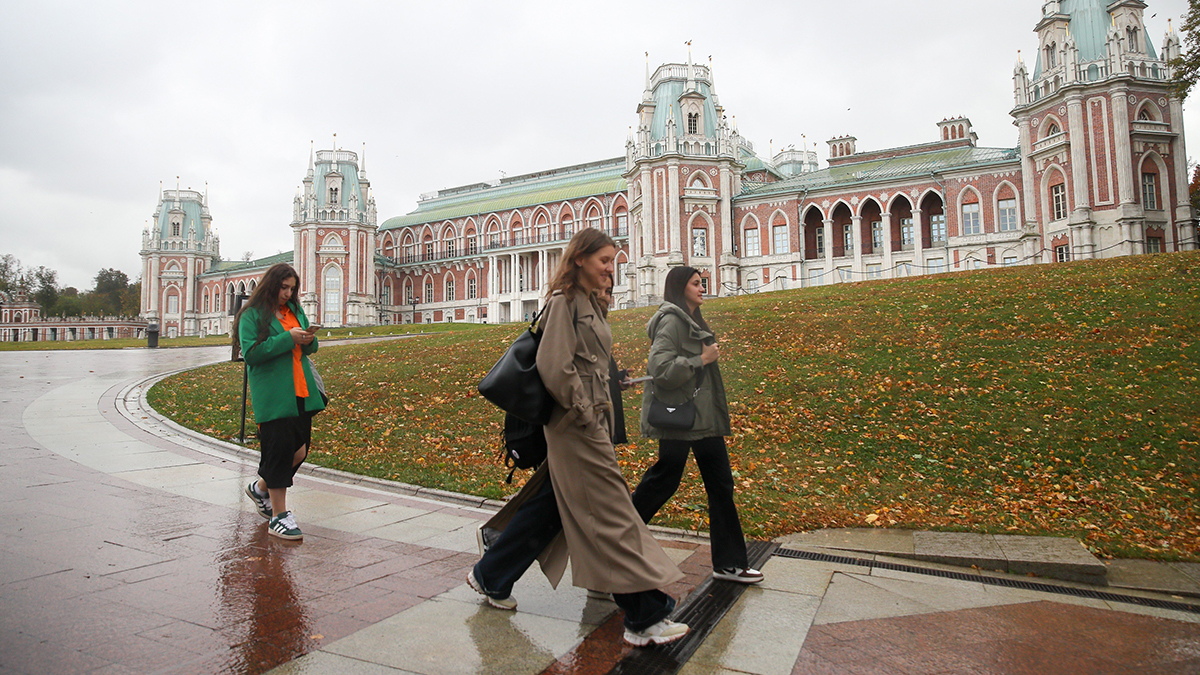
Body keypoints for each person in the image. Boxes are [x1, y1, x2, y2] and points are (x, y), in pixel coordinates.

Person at [468, 229, 690, 647]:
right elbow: (555, 367)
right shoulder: (564, 302)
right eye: (604, 260)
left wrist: (611, 381)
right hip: (576, 427)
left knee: (555, 507)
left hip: (589, 423)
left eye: (613, 260)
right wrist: (587, 413)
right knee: (608, 515)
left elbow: (586, 360)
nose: (611, 267)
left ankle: (491, 574)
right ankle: (644, 615)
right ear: (579, 260)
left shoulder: (590, 302)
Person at [632, 266, 764, 584]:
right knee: (664, 480)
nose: (702, 287)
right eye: (695, 283)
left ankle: (729, 563)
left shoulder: (689, 319)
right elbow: (660, 367)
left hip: (700, 420)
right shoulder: (672, 320)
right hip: (681, 418)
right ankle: (614, 540)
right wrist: (700, 360)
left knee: (719, 485)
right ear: (681, 288)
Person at [235, 263, 325, 541]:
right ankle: (279, 516)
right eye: (284, 287)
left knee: (299, 452)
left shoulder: (294, 311)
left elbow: (311, 348)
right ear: (271, 285)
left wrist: (308, 338)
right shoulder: (251, 316)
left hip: (300, 390)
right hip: (273, 394)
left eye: (292, 288)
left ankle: (261, 487)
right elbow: (251, 354)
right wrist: (288, 338)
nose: (287, 293)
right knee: (279, 451)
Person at [597, 282, 633, 446]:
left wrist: (618, 379)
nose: (605, 297)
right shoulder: (577, 324)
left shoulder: (599, 325)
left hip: (604, 420)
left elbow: (601, 369)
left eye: (608, 292)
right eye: (599, 291)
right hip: (588, 424)